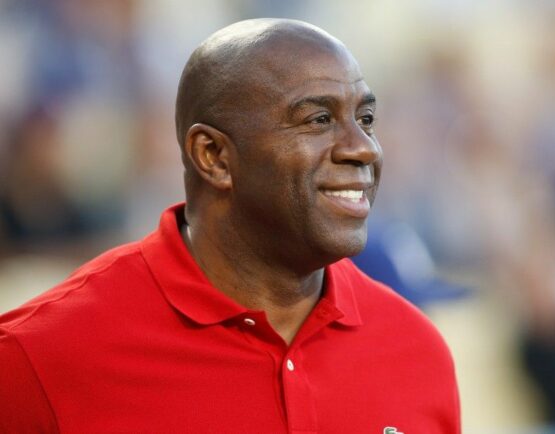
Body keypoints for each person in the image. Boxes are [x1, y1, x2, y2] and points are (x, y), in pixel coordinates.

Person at [0, 19, 460, 433]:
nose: (363, 149)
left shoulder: (416, 351)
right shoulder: (38, 356)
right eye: (319, 119)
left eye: (365, 119)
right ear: (213, 156)